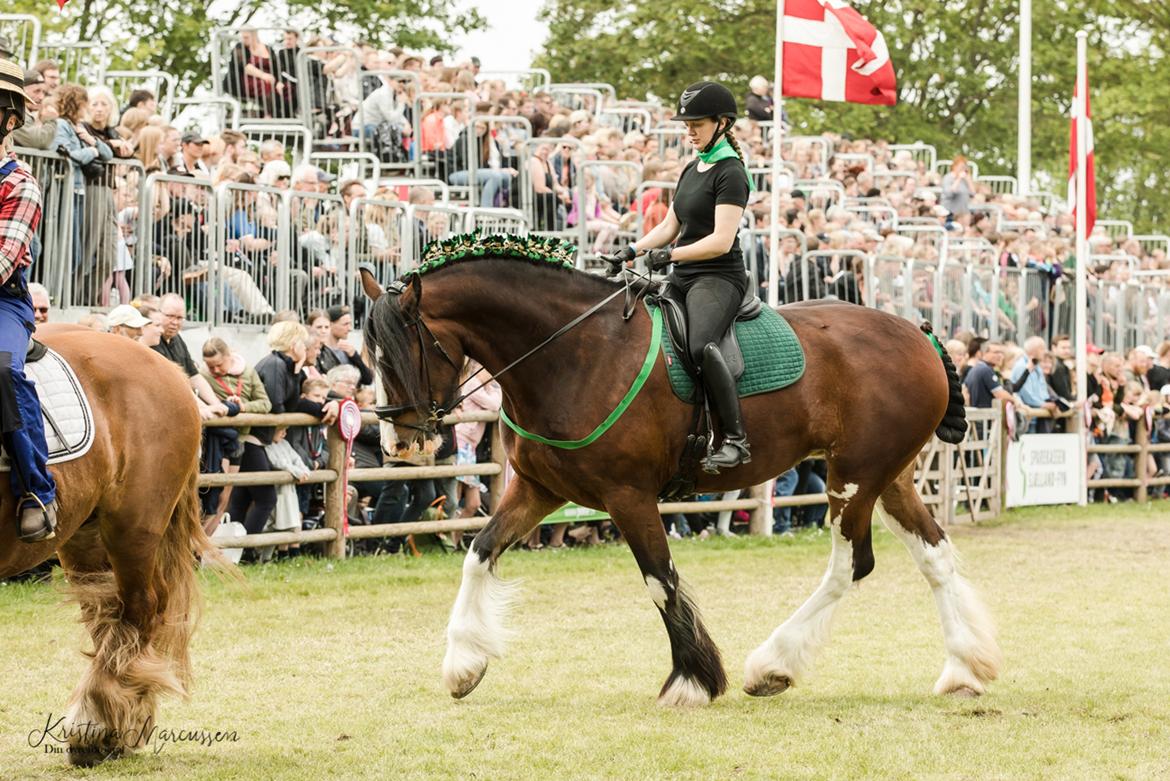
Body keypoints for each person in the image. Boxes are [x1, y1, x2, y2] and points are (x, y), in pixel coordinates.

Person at [602, 81, 752, 472]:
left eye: (696, 124)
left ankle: (735, 439)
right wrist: (631, 250)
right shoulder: (692, 167)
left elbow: (720, 241)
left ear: (722, 123)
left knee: (702, 344)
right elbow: (671, 224)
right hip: (683, 273)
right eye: (686, 124)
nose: (689, 131)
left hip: (718, 277)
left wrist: (669, 256)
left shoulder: (731, 172)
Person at [0, 56, 57, 541]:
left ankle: (38, 489)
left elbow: (2, 261)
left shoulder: (20, 184)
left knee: (1, 369)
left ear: (10, 119)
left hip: (3, 301)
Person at [315, 304, 374, 383]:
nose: (349, 328)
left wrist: (355, 356)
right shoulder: (319, 351)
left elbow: (368, 380)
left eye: (350, 324)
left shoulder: (347, 350)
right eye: (345, 324)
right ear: (331, 325)